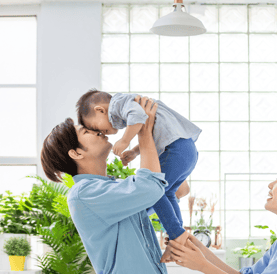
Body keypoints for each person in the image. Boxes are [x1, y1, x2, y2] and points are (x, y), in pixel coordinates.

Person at [40, 97, 175, 274]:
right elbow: (151, 188)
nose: (96, 131)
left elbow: (158, 194)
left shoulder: (112, 188)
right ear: (76, 154)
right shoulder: (83, 195)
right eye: (86, 132)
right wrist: (143, 129)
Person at [75, 90, 202, 262]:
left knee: (156, 192)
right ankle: (177, 240)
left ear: (100, 110)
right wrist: (135, 152)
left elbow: (139, 116)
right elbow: (149, 128)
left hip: (176, 149)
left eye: (99, 129)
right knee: (166, 193)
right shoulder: (126, 106)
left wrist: (125, 140)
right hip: (185, 149)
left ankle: (177, 236)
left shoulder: (118, 102)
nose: (105, 133)